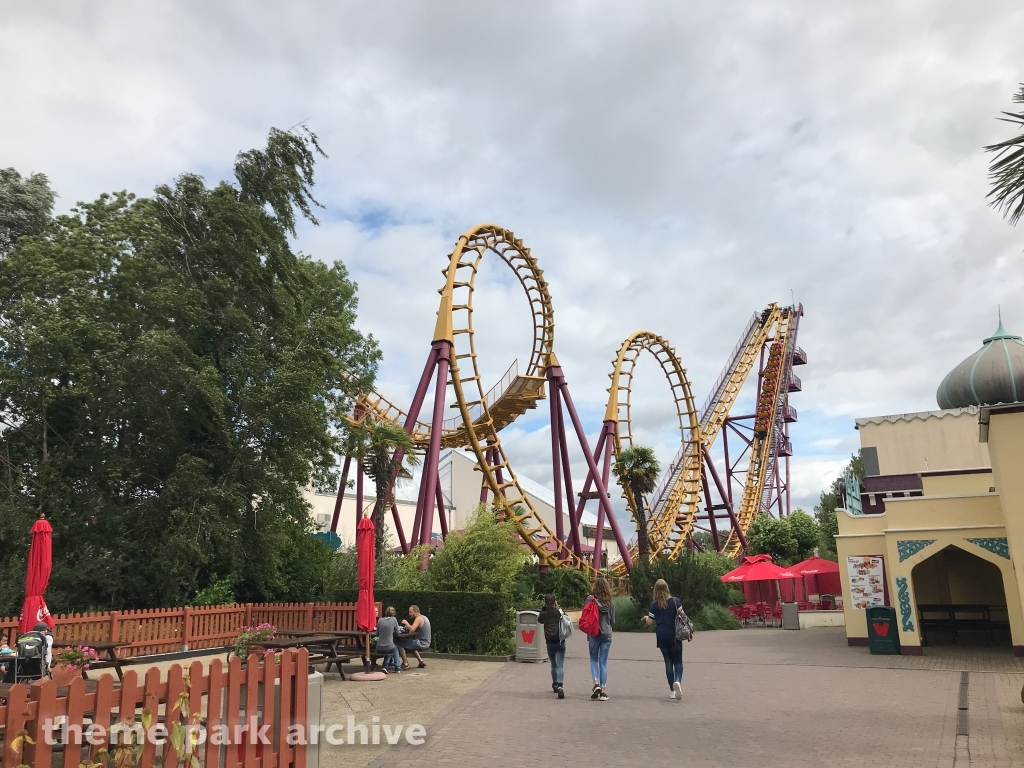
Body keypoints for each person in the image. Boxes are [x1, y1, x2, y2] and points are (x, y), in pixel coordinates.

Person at [645, 578, 684, 701]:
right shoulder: (675, 601)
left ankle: (672, 691)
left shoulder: (654, 605)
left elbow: (650, 622)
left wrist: (646, 617)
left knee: (668, 662)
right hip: (675, 635)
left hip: (661, 636)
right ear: (667, 588)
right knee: (678, 661)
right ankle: (677, 681)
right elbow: (682, 615)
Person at [586, 577, 615, 701]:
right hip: (607, 634)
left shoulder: (590, 599)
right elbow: (613, 621)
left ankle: (596, 683)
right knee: (603, 662)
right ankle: (603, 692)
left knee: (593, 659)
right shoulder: (611, 602)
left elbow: (586, 614)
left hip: (594, 632)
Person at [537, 594, 565, 698]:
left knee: (553, 664)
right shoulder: (558, 612)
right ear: (555, 602)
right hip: (560, 641)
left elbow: (539, 620)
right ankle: (561, 686)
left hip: (549, 641)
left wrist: (543, 608)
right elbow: (565, 618)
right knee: (560, 665)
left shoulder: (544, 614)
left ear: (545, 602)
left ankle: (555, 684)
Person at [398, 605, 431, 669]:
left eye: (410, 612)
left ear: (415, 611)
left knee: (400, 644)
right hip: (427, 642)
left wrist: (406, 623)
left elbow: (412, 629)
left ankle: (405, 664)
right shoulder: (424, 617)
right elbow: (414, 629)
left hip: (421, 643)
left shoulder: (418, 619)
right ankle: (421, 661)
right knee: (410, 645)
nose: (409, 614)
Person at [375, 606, 402, 674]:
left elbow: (377, 634)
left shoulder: (380, 620)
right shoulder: (394, 619)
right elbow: (397, 632)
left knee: (389, 648)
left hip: (379, 647)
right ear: (393, 613)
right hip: (388, 646)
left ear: (386, 612)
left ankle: (385, 666)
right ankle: (397, 667)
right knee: (394, 648)